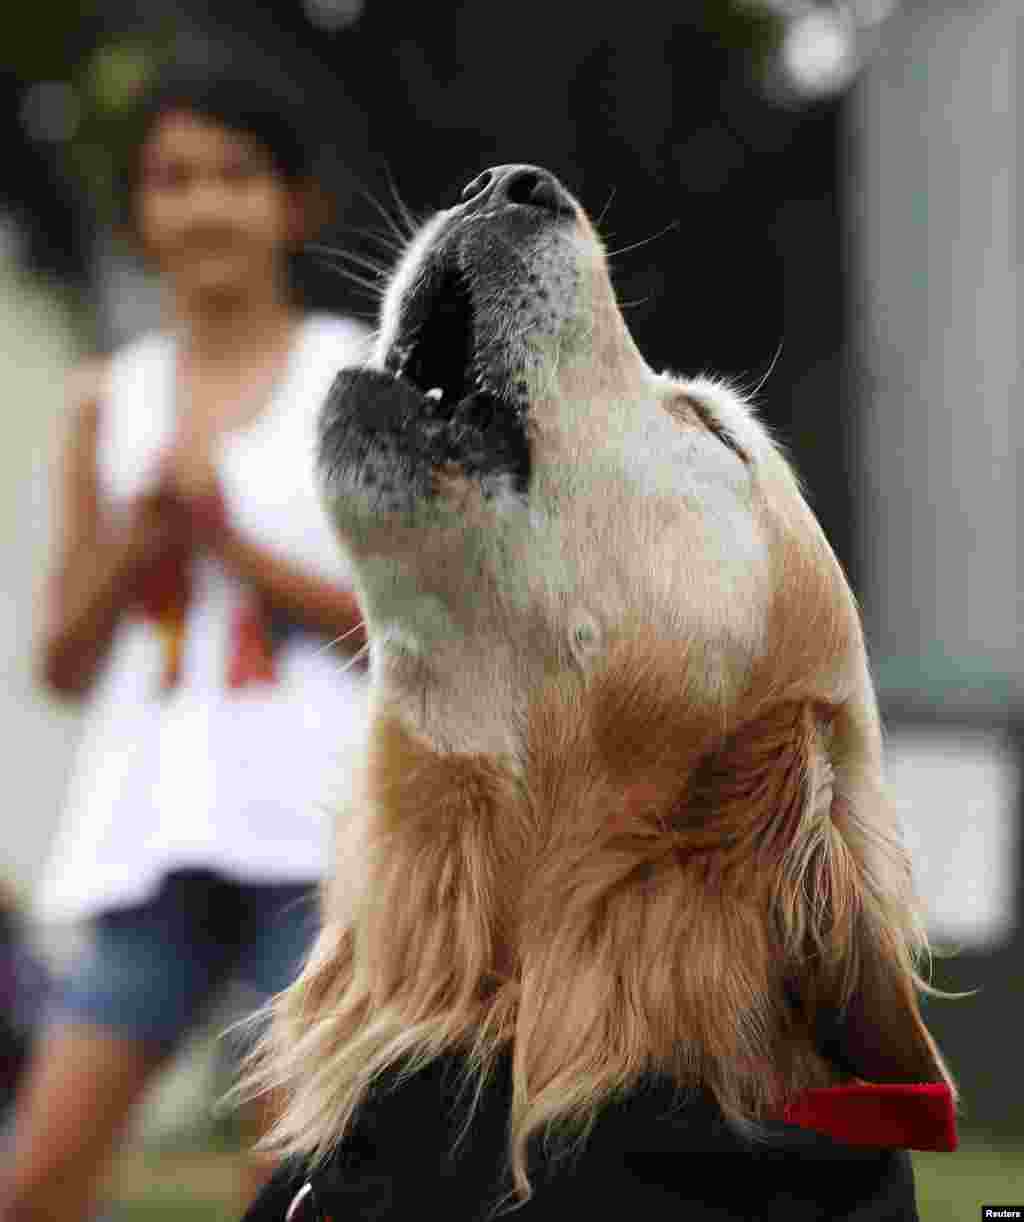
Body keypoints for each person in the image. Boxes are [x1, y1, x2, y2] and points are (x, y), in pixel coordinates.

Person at [1, 51, 371, 1222]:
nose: (205, 204)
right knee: (40, 1174)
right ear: (141, 212)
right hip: (153, 825)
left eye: (236, 174)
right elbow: (62, 662)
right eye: (172, 177)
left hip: (320, 831)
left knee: (293, 1186)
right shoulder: (110, 399)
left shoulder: (353, 378)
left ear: (294, 204)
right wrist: (140, 541)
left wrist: (232, 544)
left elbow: (412, 635)